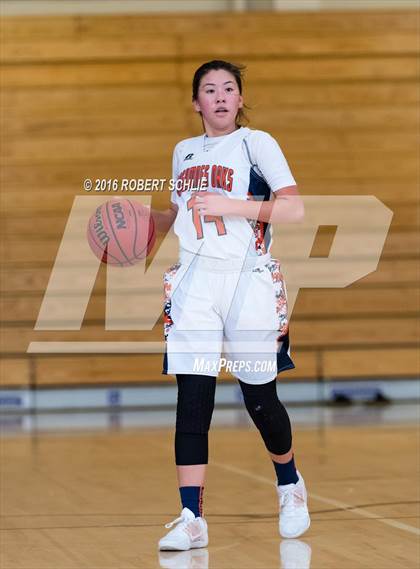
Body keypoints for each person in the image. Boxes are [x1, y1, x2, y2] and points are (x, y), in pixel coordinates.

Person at [151, 60, 310, 551]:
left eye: (229, 89)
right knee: (192, 398)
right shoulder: (182, 152)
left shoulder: (255, 143)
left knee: (260, 398)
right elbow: (181, 215)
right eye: (209, 90)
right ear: (196, 102)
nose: (220, 96)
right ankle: (191, 517)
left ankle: (290, 485)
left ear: (240, 99)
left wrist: (233, 206)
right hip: (196, 282)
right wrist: (138, 229)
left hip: (248, 280)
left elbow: (294, 207)